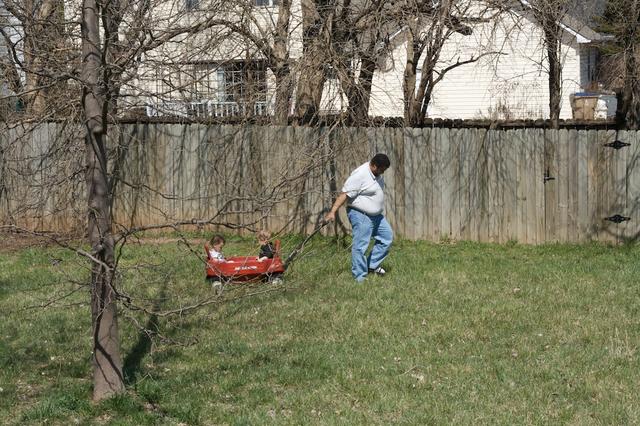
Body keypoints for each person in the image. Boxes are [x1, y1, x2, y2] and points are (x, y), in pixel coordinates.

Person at [325, 153, 393, 282]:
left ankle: (371, 266)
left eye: (384, 170)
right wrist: (332, 212)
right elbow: (344, 194)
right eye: (381, 169)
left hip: (376, 216)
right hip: (361, 214)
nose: (382, 172)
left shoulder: (376, 174)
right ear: (373, 165)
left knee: (386, 238)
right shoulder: (360, 175)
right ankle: (360, 277)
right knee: (360, 246)